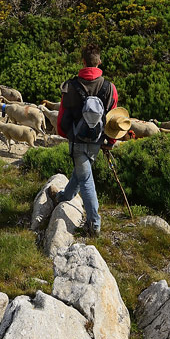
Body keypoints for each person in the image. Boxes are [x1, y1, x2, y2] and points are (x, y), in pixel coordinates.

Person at [55, 43, 118, 236]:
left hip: (77, 140)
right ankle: (65, 196)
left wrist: (66, 134)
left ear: (83, 62)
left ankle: (94, 224)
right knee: (82, 172)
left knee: (86, 179)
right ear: (99, 62)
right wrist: (110, 142)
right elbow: (114, 118)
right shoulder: (109, 87)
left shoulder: (70, 85)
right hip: (97, 141)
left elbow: (62, 116)